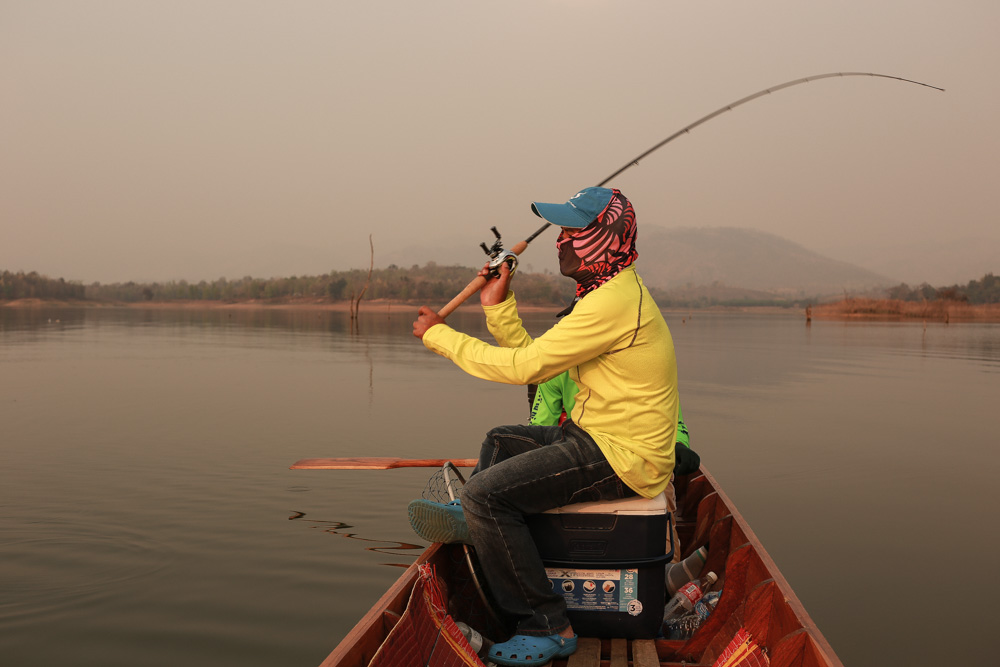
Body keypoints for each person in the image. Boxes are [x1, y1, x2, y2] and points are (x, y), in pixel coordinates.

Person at [409, 187, 679, 666]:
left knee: (483, 494)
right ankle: (484, 531)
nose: (561, 241)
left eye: (573, 231)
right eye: (561, 230)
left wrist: (439, 337)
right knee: (501, 439)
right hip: (595, 435)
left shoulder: (612, 303)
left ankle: (547, 624)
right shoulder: (604, 292)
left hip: (623, 456)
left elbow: (523, 368)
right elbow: (543, 363)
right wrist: (498, 303)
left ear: (607, 236)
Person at [529, 372, 696, 562]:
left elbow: (673, 420)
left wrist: (679, 445)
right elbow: (540, 427)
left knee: (662, 509)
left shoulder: (646, 359)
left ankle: (668, 569)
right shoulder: (558, 365)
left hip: (642, 457)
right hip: (582, 455)